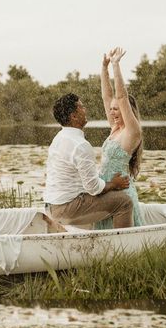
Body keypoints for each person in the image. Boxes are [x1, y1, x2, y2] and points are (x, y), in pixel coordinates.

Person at [44, 93, 133, 228]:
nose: (85, 110)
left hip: (51, 207)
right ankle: (124, 246)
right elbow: (94, 188)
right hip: (65, 210)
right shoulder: (80, 145)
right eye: (81, 107)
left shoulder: (59, 137)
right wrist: (114, 184)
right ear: (73, 116)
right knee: (124, 201)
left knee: (100, 198)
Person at [96, 47, 144, 229]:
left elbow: (121, 96)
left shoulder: (132, 132)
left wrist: (116, 65)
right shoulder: (115, 128)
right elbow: (106, 97)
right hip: (107, 190)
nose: (112, 111)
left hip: (122, 193)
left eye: (116, 109)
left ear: (126, 111)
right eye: (112, 108)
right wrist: (103, 67)